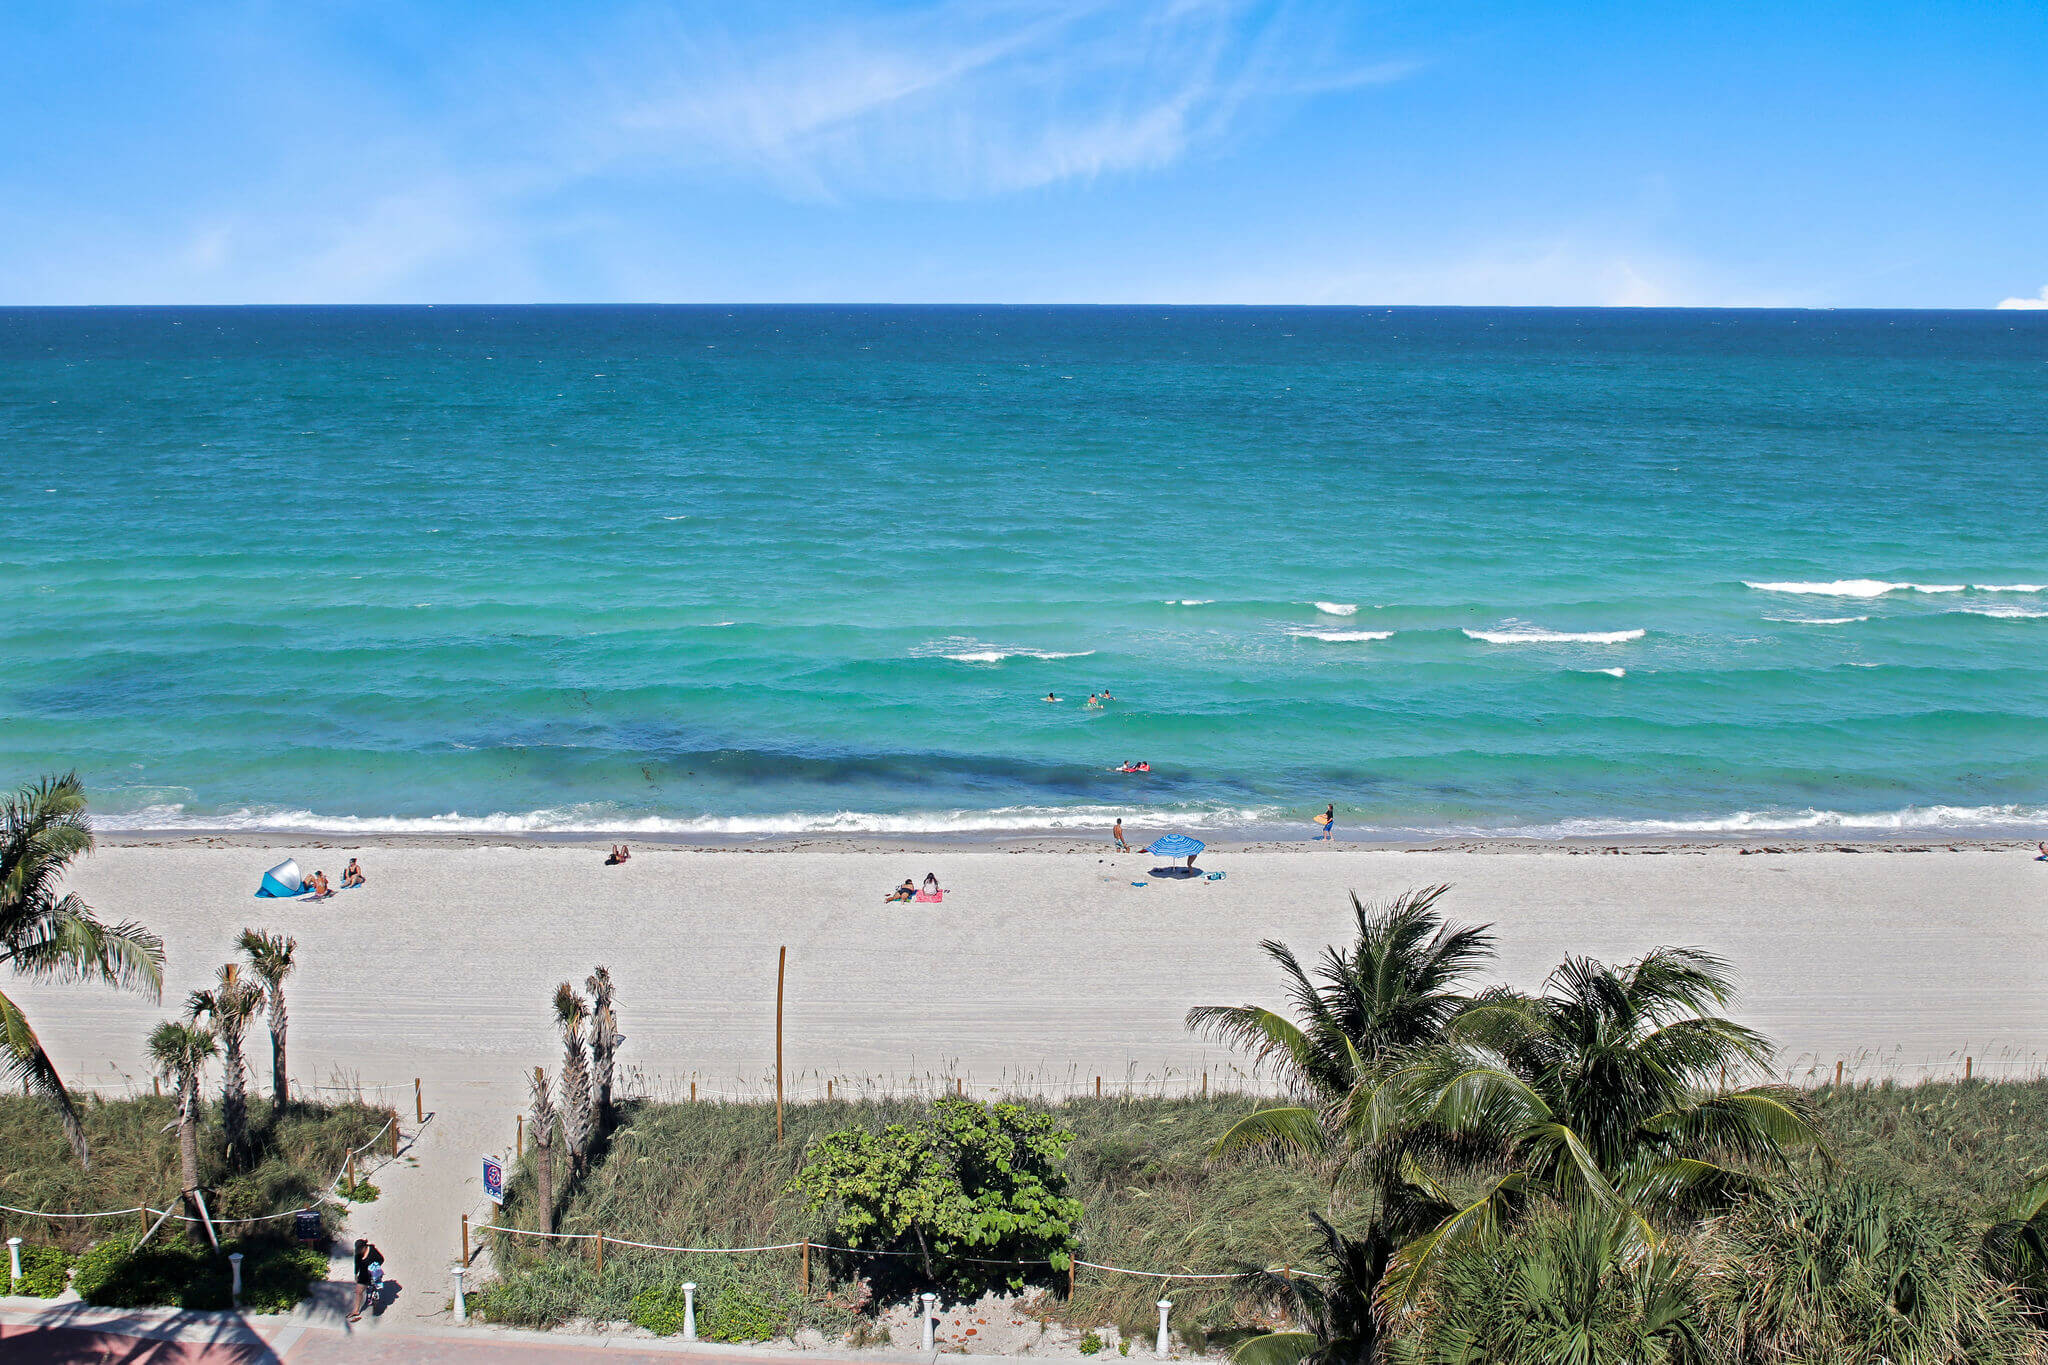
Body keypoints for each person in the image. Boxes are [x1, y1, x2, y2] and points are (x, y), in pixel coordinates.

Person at [350, 1238, 385, 1321]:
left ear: (365, 1247)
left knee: (375, 1293)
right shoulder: (358, 1254)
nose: (359, 1251)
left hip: (373, 1274)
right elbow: (357, 1264)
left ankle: (376, 1306)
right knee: (358, 1292)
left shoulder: (372, 1250)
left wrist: (374, 1266)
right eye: (358, 1249)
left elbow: (381, 1259)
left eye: (360, 1249)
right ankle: (356, 1310)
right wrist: (356, 1274)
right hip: (363, 1274)